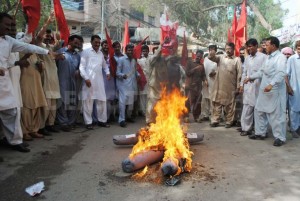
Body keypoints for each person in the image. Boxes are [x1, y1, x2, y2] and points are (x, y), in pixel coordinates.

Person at [0, 12, 52, 152]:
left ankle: (15, 141)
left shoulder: (8, 41)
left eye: (10, 25)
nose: (9, 27)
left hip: (3, 84)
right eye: (6, 24)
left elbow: (28, 46)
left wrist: (46, 52)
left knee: (11, 111)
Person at [245, 36, 287, 147]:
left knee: (275, 115)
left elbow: (281, 73)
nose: (265, 47)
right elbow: (262, 71)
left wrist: (271, 84)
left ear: (273, 46)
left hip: (274, 90)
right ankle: (260, 133)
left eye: (267, 45)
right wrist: (251, 77)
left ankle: (280, 137)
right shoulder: (268, 57)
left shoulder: (280, 57)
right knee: (259, 110)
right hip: (265, 90)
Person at [36, 12, 61, 134]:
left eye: (49, 36)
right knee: (45, 107)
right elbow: (39, 37)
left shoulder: (50, 47)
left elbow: (58, 43)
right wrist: (48, 21)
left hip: (54, 81)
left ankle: (50, 125)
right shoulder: (39, 47)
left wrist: (56, 37)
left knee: (53, 107)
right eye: (46, 35)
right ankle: (42, 127)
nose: (48, 37)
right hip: (45, 80)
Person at [79, 35, 110, 129]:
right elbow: (81, 67)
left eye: (98, 43)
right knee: (88, 102)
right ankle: (88, 123)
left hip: (99, 82)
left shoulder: (100, 54)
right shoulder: (86, 52)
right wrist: (86, 78)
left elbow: (105, 66)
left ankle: (102, 121)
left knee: (102, 100)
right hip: (89, 81)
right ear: (91, 42)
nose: (97, 44)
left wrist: (108, 72)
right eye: (95, 42)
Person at [208, 42, 242, 128]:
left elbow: (239, 74)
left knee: (230, 106)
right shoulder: (221, 58)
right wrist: (211, 54)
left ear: (233, 50)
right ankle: (215, 120)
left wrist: (238, 87)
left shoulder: (237, 60)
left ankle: (229, 121)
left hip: (230, 87)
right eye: (226, 49)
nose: (228, 50)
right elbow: (212, 58)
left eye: (229, 49)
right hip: (219, 86)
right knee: (217, 104)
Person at [239, 38, 267, 136]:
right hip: (248, 87)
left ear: (256, 46)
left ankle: (261, 130)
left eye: (251, 46)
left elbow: (264, 72)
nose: (249, 49)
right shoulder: (247, 58)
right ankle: (246, 128)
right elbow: (244, 73)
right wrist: (241, 85)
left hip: (259, 86)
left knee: (259, 110)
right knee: (247, 108)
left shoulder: (263, 57)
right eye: (248, 47)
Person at [56, 35, 82, 132]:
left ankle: (71, 122)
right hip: (62, 80)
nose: (77, 45)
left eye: (78, 43)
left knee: (72, 101)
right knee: (62, 102)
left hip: (73, 81)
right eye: (75, 43)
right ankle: (63, 123)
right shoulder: (60, 52)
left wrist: (78, 71)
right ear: (69, 42)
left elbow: (80, 68)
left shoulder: (77, 55)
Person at [116, 43, 139, 127]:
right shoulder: (121, 59)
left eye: (131, 50)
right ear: (126, 51)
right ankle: (121, 120)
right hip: (123, 85)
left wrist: (138, 75)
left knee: (130, 103)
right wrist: (123, 75)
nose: (130, 51)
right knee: (122, 103)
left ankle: (128, 117)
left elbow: (134, 71)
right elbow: (117, 73)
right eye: (129, 50)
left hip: (131, 84)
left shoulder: (133, 60)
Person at [184, 50, 205, 122]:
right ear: (195, 55)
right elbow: (187, 73)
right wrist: (195, 68)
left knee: (198, 102)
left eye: (200, 56)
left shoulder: (202, 66)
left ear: (202, 57)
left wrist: (205, 80)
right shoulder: (190, 63)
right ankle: (186, 116)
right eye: (198, 55)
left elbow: (203, 75)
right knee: (188, 102)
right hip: (190, 87)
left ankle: (196, 117)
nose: (199, 57)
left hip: (198, 87)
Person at [286, 41, 300, 138]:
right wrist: (289, 87)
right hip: (295, 89)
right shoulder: (292, 59)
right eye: (298, 48)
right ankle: (293, 129)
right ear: (296, 48)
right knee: (294, 109)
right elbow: (286, 75)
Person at [200, 45, 218, 122]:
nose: (211, 51)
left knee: (212, 100)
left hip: (214, 82)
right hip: (205, 81)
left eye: (213, 50)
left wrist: (215, 73)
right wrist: (204, 79)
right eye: (210, 50)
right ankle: (205, 114)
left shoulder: (218, 59)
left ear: (215, 51)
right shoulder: (206, 59)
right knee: (204, 99)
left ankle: (213, 116)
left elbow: (220, 70)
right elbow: (203, 70)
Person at [101, 40, 117, 123]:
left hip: (111, 79)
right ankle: (104, 118)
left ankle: (111, 115)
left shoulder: (112, 55)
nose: (106, 46)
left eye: (108, 45)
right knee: (104, 99)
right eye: (105, 45)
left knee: (111, 98)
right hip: (103, 78)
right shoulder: (99, 54)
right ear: (102, 45)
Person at [137, 45, 152, 117]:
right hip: (142, 80)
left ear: (148, 51)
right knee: (142, 96)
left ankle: (148, 110)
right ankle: (143, 111)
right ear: (141, 52)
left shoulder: (151, 59)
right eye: (143, 51)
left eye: (146, 51)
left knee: (149, 96)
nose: (145, 52)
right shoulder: (139, 60)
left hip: (150, 79)